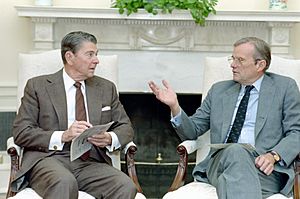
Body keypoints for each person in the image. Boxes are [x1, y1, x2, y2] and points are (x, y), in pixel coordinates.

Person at [148, 37, 300, 199]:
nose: (233, 64)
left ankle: (228, 183)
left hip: (265, 170)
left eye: (240, 60)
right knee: (236, 150)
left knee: (229, 180)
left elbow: (296, 132)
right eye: (232, 58)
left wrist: (273, 155)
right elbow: (192, 131)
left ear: (260, 65)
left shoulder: (284, 88)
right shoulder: (219, 91)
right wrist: (175, 106)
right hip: (220, 163)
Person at [11, 31, 137, 199]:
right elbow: (22, 132)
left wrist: (109, 138)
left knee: (125, 185)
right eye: (90, 54)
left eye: (96, 54)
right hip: (49, 159)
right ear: (70, 57)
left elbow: (125, 127)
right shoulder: (38, 86)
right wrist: (63, 136)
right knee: (64, 182)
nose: (96, 60)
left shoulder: (106, 88)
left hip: (90, 162)